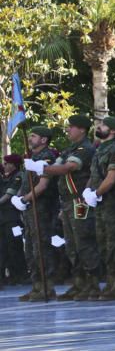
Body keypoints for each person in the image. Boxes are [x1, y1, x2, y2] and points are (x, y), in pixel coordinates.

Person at [28, 115, 100, 301]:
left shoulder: (85, 149)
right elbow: (56, 164)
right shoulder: (69, 149)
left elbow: (66, 168)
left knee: (84, 243)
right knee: (72, 245)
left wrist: (40, 168)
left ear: (82, 129)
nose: (67, 130)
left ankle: (92, 284)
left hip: (79, 201)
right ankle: (79, 283)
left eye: (71, 127)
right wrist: (43, 166)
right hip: (68, 202)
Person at [83, 116, 115, 300]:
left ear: (112, 131)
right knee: (104, 245)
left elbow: (111, 178)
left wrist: (95, 193)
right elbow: (94, 175)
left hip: (112, 204)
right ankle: (112, 283)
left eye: (103, 125)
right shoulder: (100, 150)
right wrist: (88, 190)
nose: (99, 126)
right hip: (101, 204)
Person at [11, 127, 59, 301]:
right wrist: (18, 198)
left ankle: (47, 287)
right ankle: (37, 286)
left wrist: (25, 199)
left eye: (33, 136)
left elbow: (42, 185)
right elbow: (26, 183)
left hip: (41, 209)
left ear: (44, 140)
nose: (30, 139)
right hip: (30, 210)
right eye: (29, 135)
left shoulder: (46, 157)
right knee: (30, 250)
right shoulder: (31, 158)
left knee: (41, 249)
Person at [0, 154, 27, 286]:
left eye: (6, 163)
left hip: (13, 218)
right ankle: (11, 275)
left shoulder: (18, 176)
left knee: (14, 245)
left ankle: (21, 274)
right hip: (3, 218)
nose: (4, 165)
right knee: (4, 247)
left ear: (13, 165)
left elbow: (9, 194)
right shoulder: (5, 178)